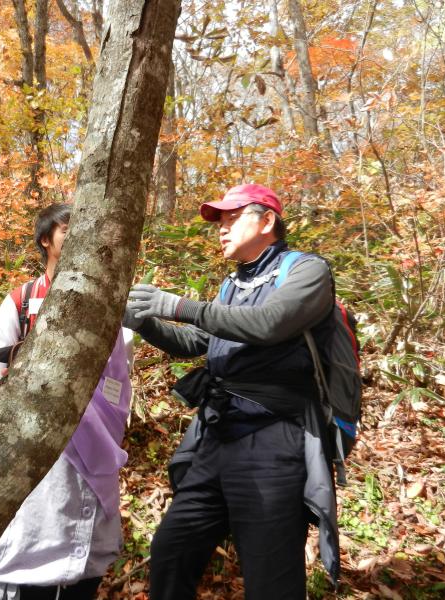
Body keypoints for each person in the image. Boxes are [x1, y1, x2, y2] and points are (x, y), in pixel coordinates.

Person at [124, 183, 337, 600]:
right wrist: (144, 320)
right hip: (216, 436)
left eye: (231, 218)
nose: (221, 229)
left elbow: (269, 324)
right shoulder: (234, 285)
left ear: (268, 220)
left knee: (270, 576)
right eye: (219, 221)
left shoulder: (307, 271)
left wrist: (177, 305)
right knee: (172, 550)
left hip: (273, 439)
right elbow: (196, 343)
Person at [0, 203, 135, 600]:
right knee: (34, 535)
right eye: (67, 230)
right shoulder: (22, 300)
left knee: (83, 542)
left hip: (93, 439)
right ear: (46, 240)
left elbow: (120, 373)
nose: (76, 237)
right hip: (34, 444)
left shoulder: (107, 302)